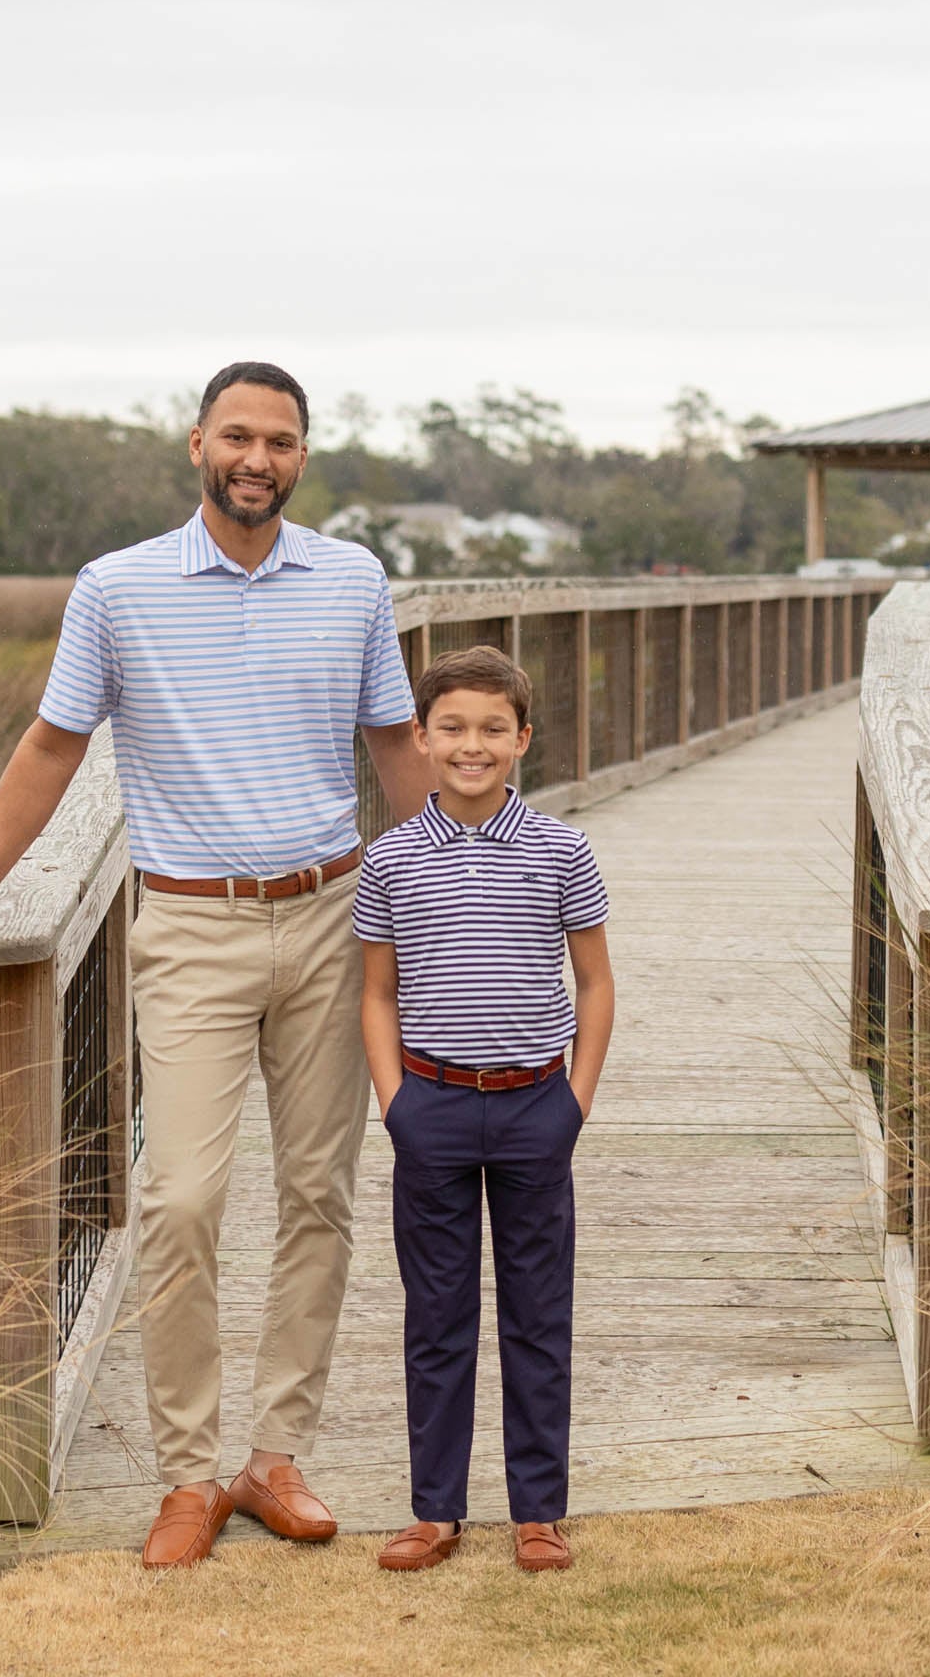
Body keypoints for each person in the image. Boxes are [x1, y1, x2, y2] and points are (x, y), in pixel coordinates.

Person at [0, 361, 433, 1569]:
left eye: (282, 441)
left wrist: (444, 901)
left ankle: (273, 1455)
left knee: (318, 1195)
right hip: (190, 925)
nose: (258, 457)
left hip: (332, 914)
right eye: (238, 435)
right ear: (197, 442)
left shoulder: (351, 578)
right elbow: (51, 744)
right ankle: (187, 1472)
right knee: (180, 1199)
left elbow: (397, 744)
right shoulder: (119, 586)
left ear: (304, 457)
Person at [353, 644, 614, 1574]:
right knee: (438, 1313)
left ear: (523, 740)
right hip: (432, 1108)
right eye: (453, 729)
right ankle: (437, 1510)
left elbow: (594, 983)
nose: (473, 746)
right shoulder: (388, 862)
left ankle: (538, 1509)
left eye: (492, 730)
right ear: (420, 740)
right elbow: (377, 994)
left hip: (535, 1108)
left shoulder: (561, 849)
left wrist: (572, 1102)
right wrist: (396, 1104)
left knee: (538, 1313)